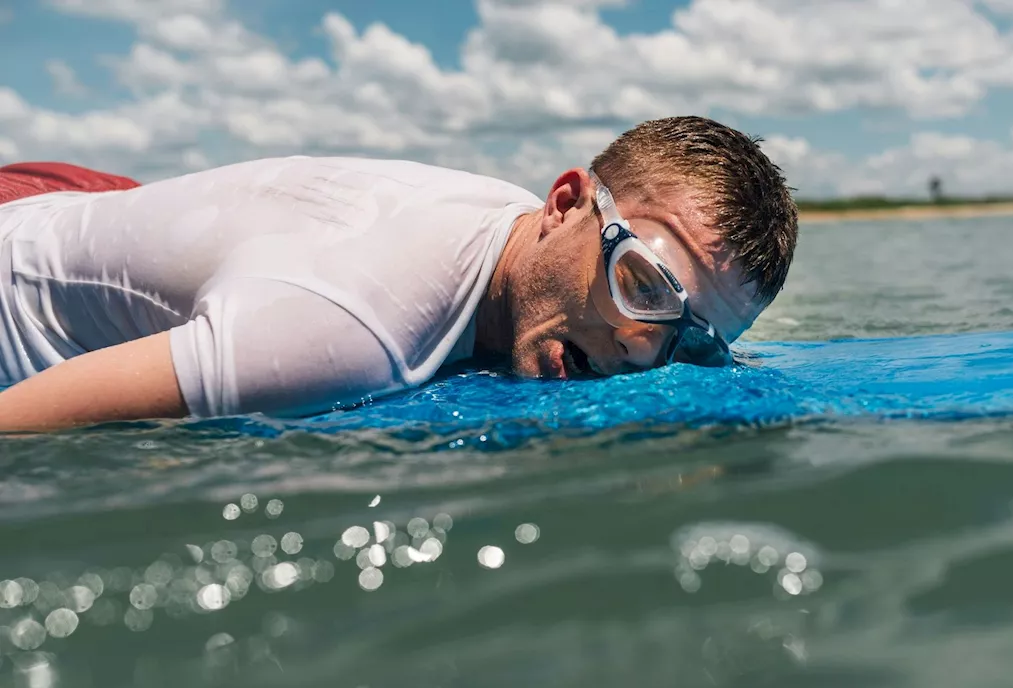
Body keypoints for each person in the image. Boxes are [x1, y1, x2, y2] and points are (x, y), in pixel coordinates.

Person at [0, 116, 798, 433]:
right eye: (644, 286)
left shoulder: (519, 243)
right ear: (565, 201)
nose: (639, 351)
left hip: (81, 203)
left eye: (688, 341)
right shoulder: (348, 329)